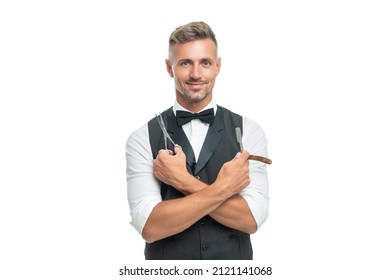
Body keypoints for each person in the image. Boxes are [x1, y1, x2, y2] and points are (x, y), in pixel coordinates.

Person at [125, 21, 269, 260]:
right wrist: (224, 189)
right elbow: (150, 226)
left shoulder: (249, 131)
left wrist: (182, 180)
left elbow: (251, 219)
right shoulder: (141, 138)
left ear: (218, 66)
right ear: (169, 68)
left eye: (205, 62)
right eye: (185, 63)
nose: (195, 74)